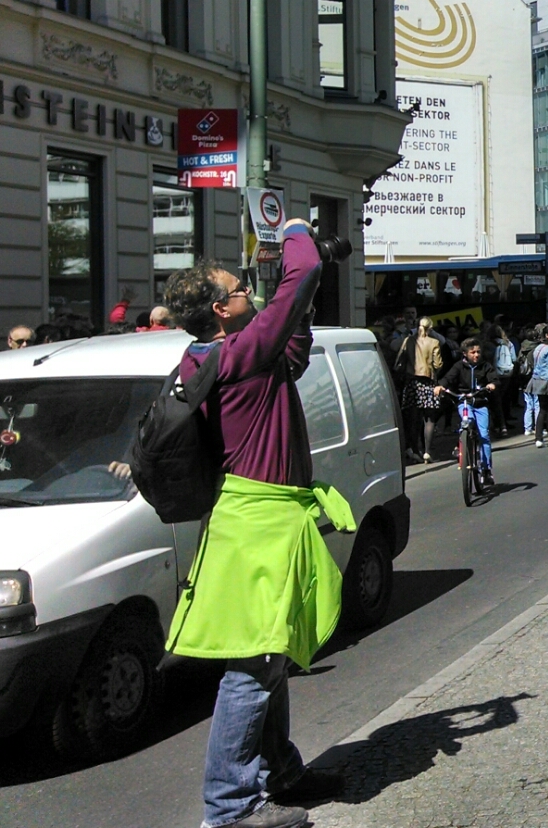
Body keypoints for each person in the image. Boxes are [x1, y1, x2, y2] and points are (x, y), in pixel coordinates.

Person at [160, 221, 345, 828]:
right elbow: (304, 269)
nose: (249, 291)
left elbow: (291, 354)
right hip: (257, 520)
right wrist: (293, 229)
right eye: (240, 288)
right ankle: (229, 808)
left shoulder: (217, 354)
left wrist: (295, 309)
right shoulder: (237, 352)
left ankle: (280, 773)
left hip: (254, 514)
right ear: (220, 310)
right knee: (254, 664)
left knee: (272, 653)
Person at [440, 338, 498, 488]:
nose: (476, 355)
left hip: (480, 402)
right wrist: (440, 386)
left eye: (478, 352)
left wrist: (491, 384)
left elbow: (494, 379)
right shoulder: (459, 366)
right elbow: (448, 378)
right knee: (467, 420)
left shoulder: (485, 366)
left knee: (484, 435)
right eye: (472, 352)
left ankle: (486, 469)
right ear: (465, 354)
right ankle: (461, 443)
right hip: (464, 402)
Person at [397, 319, 446, 463]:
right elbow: (438, 364)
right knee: (429, 418)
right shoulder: (434, 342)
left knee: (413, 418)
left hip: (412, 382)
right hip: (428, 381)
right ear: (430, 328)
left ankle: (414, 450)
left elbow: (399, 360)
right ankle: (427, 452)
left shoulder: (408, 341)